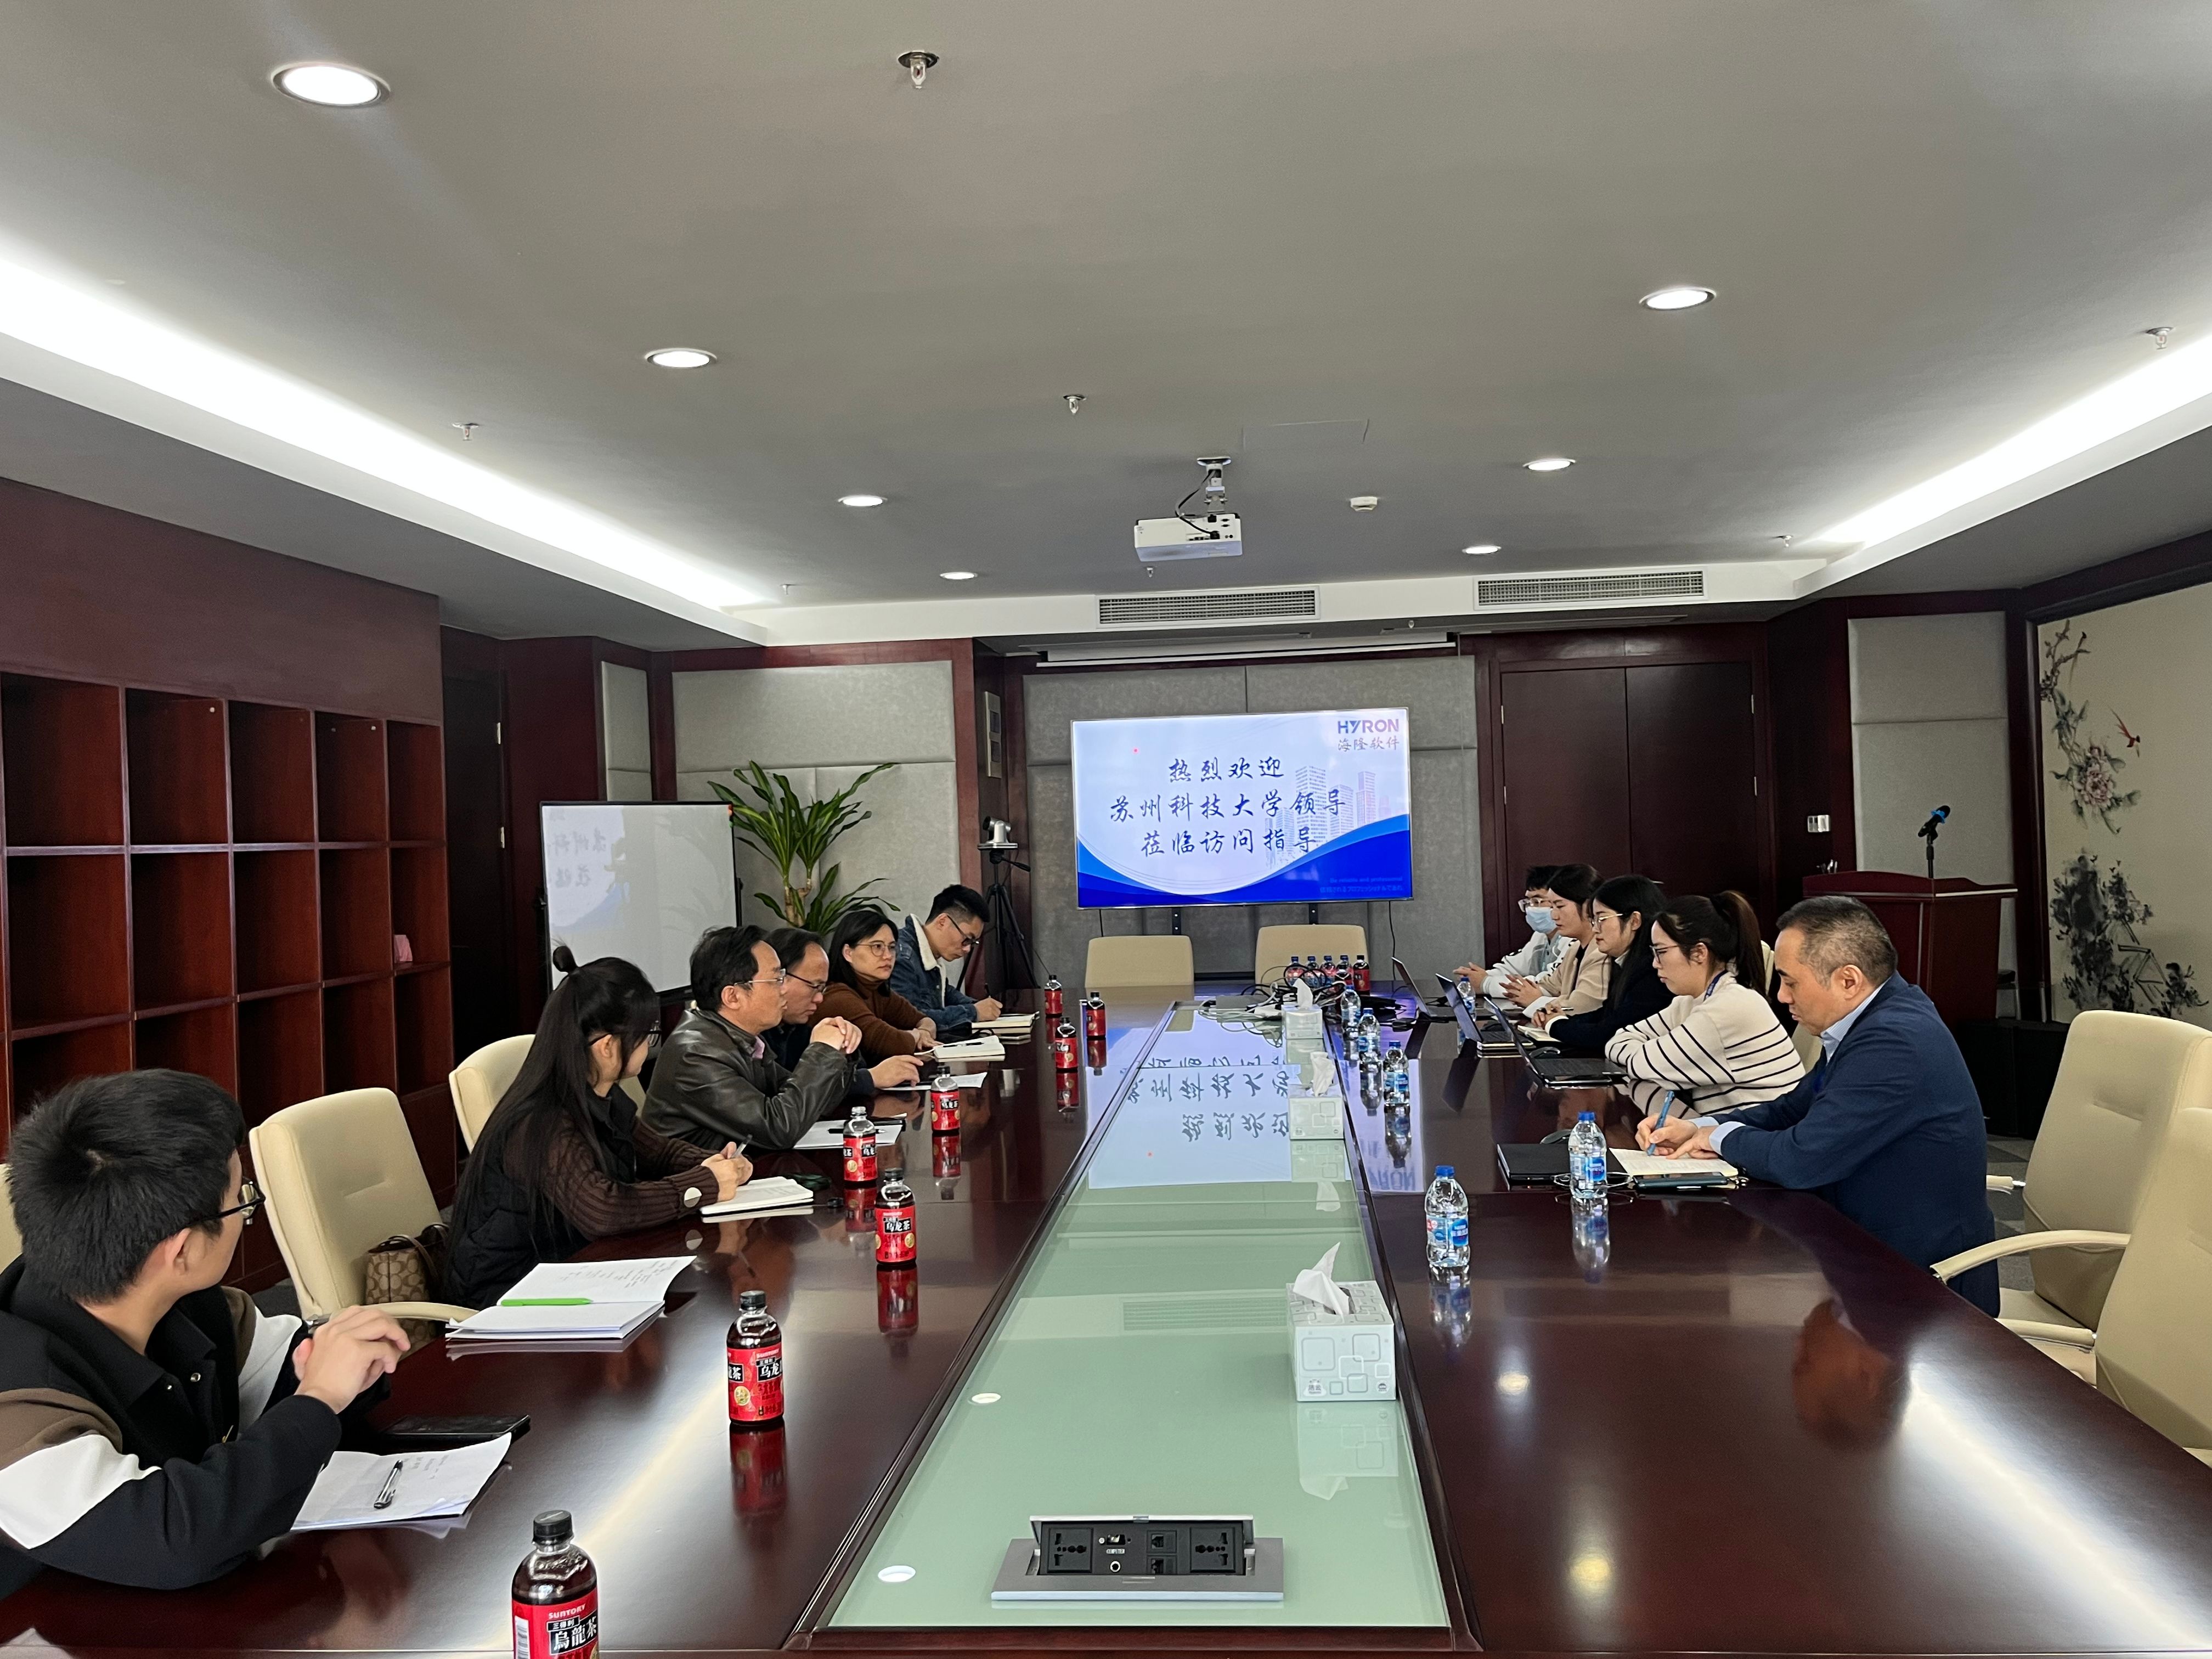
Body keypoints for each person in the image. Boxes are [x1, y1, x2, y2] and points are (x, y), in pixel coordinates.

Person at [0, 1069, 409, 1592]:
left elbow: (286, 1376)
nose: (247, 1213)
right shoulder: (17, 1399)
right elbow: (171, 1540)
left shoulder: (183, 1302)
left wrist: (347, 1361)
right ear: (184, 1250)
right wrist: (322, 1397)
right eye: (242, 1199)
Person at [1640, 895, 1999, 1313]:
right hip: (1864, 1253)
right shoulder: (1872, 1020)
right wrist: (1701, 1126)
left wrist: (1719, 1139)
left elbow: (1800, 1158)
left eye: (1791, 982)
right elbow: (1791, 1110)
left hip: (1924, 1289)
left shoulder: (1894, 1041)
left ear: (1848, 981)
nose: (1781, 996)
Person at [449, 949, 752, 1306]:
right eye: (648, 1035)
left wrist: (719, 1163)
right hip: (508, 1295)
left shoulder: (594, 1093)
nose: (649, 1044)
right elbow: (604, 1210)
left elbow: (658, 1152)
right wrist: (704, 1184)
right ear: (608, 1047)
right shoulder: (542, 1120)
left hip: (570, 1270)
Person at [642, 926, 870, 1153]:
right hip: (694, 1176)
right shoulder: (697, 1055)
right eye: (777, 979)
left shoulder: (741, 1039)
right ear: (733, 996)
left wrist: (840, 1053)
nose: (784, 989)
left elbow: (812, 1106)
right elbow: (779, 1129)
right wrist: (821, 1051)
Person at [1604, 891, 1804, 1116]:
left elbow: (1642, 1066)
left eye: (1661, 952)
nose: (1655, 964)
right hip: (1738, 1129)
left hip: (1762, 1133)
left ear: (1700, 952)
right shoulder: (1692, 1001)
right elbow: (1618, 1040)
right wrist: (1648, 1055)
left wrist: (1646, 1054)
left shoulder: (1727, 1009)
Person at [762, 926, 924, 1097]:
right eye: (814, 986)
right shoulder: (755, 1036)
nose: (888, 956)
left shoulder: (796, 1027)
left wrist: (845, 1054)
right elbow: (790, 1095)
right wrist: (871, 1078)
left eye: (892, 948)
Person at [1534, 873, 1672, 1053]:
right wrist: (1559, 1019)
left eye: (1602, 919)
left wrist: (1555, 1024)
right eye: (1593, 920)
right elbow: (1607, 1015)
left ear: (1634, 921)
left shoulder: (1654, 970)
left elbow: (1609, 1033)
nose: (1595, 928)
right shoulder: (1625, 961)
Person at [1495, 864, 1611, 1023]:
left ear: (1589, 906)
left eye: (1560, 906)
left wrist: (1536, 1001)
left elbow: (1581, 1008)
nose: (1554, 915)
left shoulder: (1602, 951)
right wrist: (1527, 991)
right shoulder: (1575, 948)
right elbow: (1550, 985)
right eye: (1552, 906)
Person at [819, 907, 938, 1060]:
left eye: (892, 947)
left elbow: (925, 1020)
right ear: (848, 953)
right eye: (877, 947)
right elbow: (889, 1043)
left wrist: (925, 1033)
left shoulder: (876, 989)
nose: (888, 956)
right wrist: (916, 1035)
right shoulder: (837, 996)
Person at [889, 885, 1003, 1028]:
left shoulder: (928, 954)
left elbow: (947, 994)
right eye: (967, 939)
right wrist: (974, 1012)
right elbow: (911, 1019)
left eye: (973, 943)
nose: (967, 949)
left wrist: (981, 1007)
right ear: (943, 922)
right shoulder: (902, 957)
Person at [1455, 864, 1570, 994]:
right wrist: (1481, 976)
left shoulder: (1572, 939)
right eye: (1529, 902)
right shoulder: (1540, 936)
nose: (1531, 908)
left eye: (1537, 901)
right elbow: (1512, 968)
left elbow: (1548, 985)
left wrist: (1486, 984)